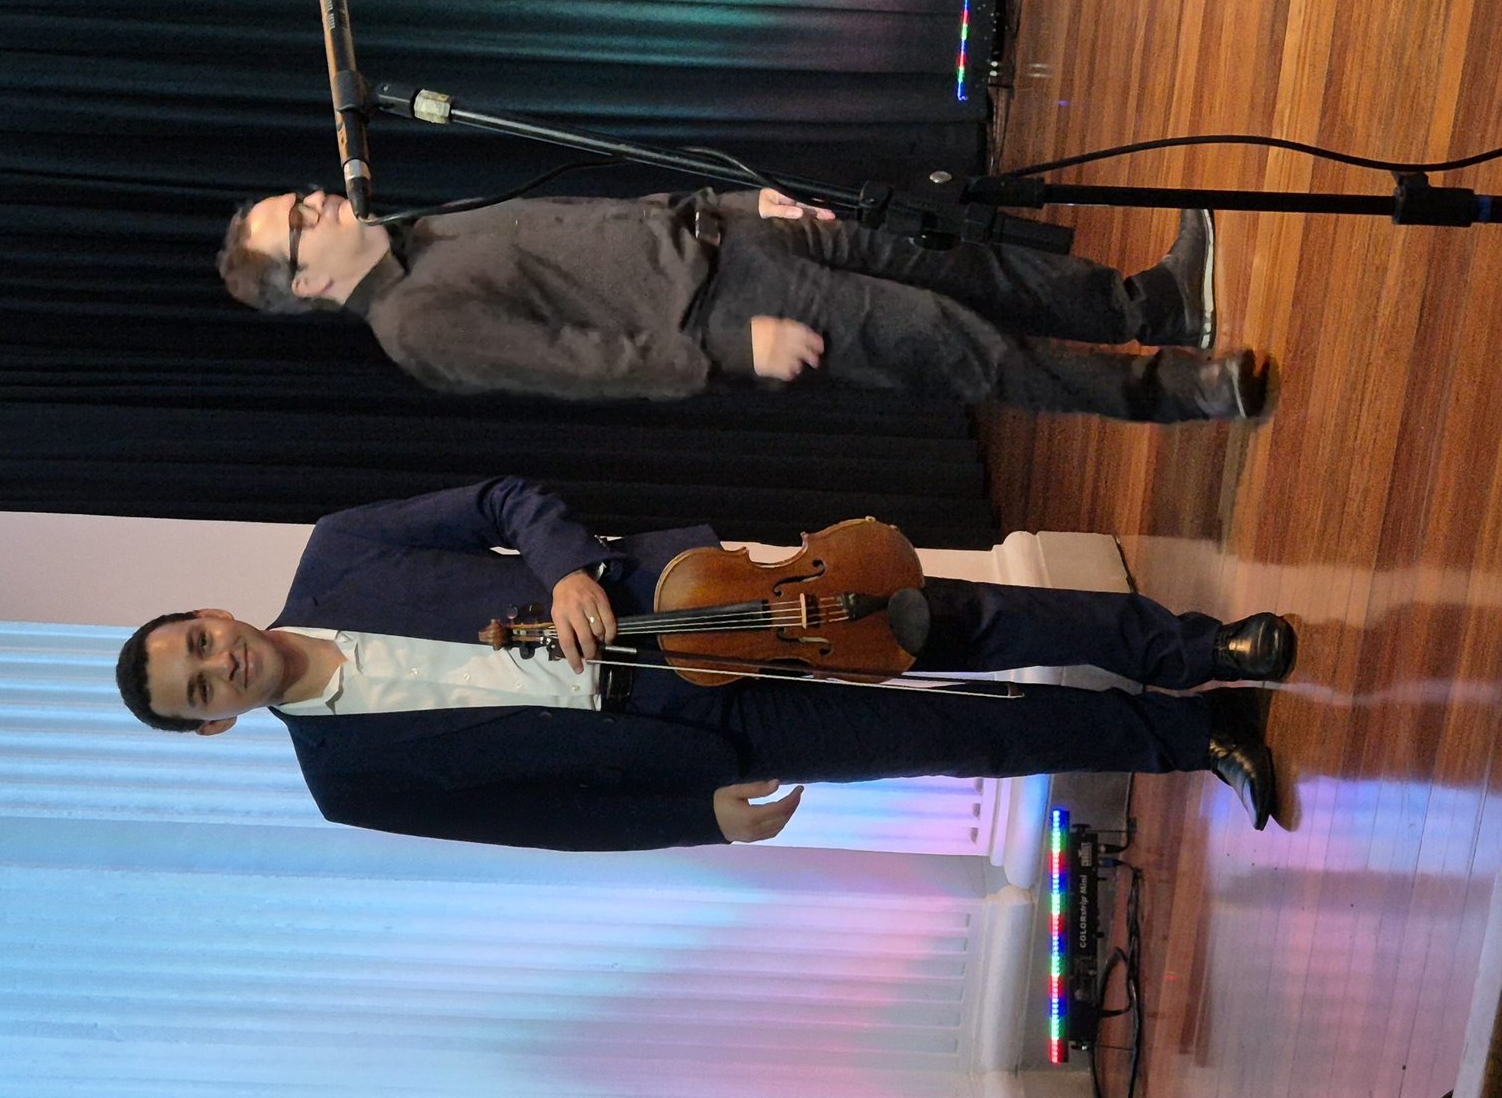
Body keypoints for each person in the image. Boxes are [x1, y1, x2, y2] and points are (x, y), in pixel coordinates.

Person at [115, 477, 1296, 849]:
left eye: (200, 644)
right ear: (213, 723)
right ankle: (1195, 739)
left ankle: (1198, 650)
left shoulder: (339, 551)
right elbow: (539, 820)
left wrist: (566, 571)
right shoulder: (344, 786)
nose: (223, 664)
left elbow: (501, 499)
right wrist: (697, 818)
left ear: (212, 614)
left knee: (946, 623)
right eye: (202, 688)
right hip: (688, 737)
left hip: (679, 605)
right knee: (957, 736)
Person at [215, 186, 1268, 419]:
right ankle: (1185, 391)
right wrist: (726, 353)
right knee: (965, 347)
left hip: (738, 238)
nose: (316, 200)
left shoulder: (425, 231)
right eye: (297, 220)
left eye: (299, 197)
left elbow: (600, 220)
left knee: (959, 267)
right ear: (308, 283)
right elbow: (580, 364)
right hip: (726, 314)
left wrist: (731, 203)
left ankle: (1150, 304)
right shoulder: (412, 324)